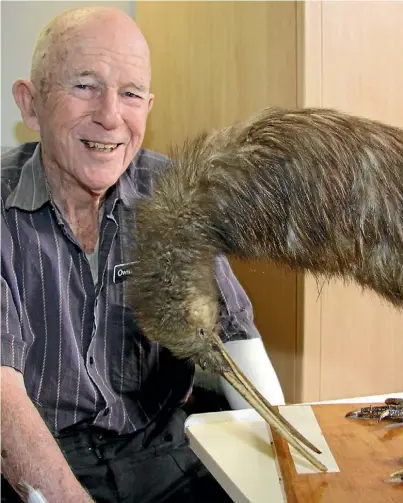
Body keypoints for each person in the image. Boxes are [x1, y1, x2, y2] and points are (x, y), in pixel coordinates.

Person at [1, 6, 285, 503]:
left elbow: (232, 336)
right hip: (38, 459)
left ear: (147, 108)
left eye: (130, 94)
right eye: (85, 86)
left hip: (161, 450)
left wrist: (282, 471)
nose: (111, 116)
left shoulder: (171, 192)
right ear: (31, 104)